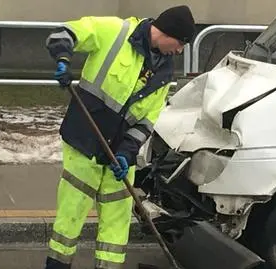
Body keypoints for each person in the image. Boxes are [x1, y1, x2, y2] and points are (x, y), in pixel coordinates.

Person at [44, 5, 195, 269]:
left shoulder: (164, 73)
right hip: (85, 142)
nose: (180, 50)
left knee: (116, 227)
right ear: (167, 32)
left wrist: (127, 153)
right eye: (181, 42)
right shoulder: (115, 31)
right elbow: (64, 34)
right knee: (70, 217)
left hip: (119, 157)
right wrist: (63, 59)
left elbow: (147, 120)